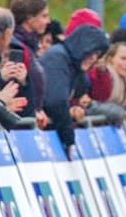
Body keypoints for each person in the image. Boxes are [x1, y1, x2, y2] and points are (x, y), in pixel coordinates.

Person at [38, 23, 109, 155]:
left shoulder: (73, 64)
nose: (93, 57)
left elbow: (82, 91)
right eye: (91, 51)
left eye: (98, 54)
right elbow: (56, 101)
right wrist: (69, 138)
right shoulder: (58, 58)